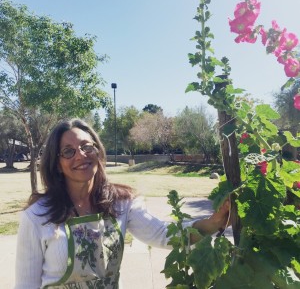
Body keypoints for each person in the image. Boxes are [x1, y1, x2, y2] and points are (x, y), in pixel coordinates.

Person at [15, 118, 230, 289]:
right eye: (68, 151)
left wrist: (213, 223)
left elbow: (163, 235)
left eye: (86, 146)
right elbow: (26, 285)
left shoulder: (122, 203)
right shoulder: (36, 217)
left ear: (97, 152)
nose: (80, 155)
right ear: (58, 164)